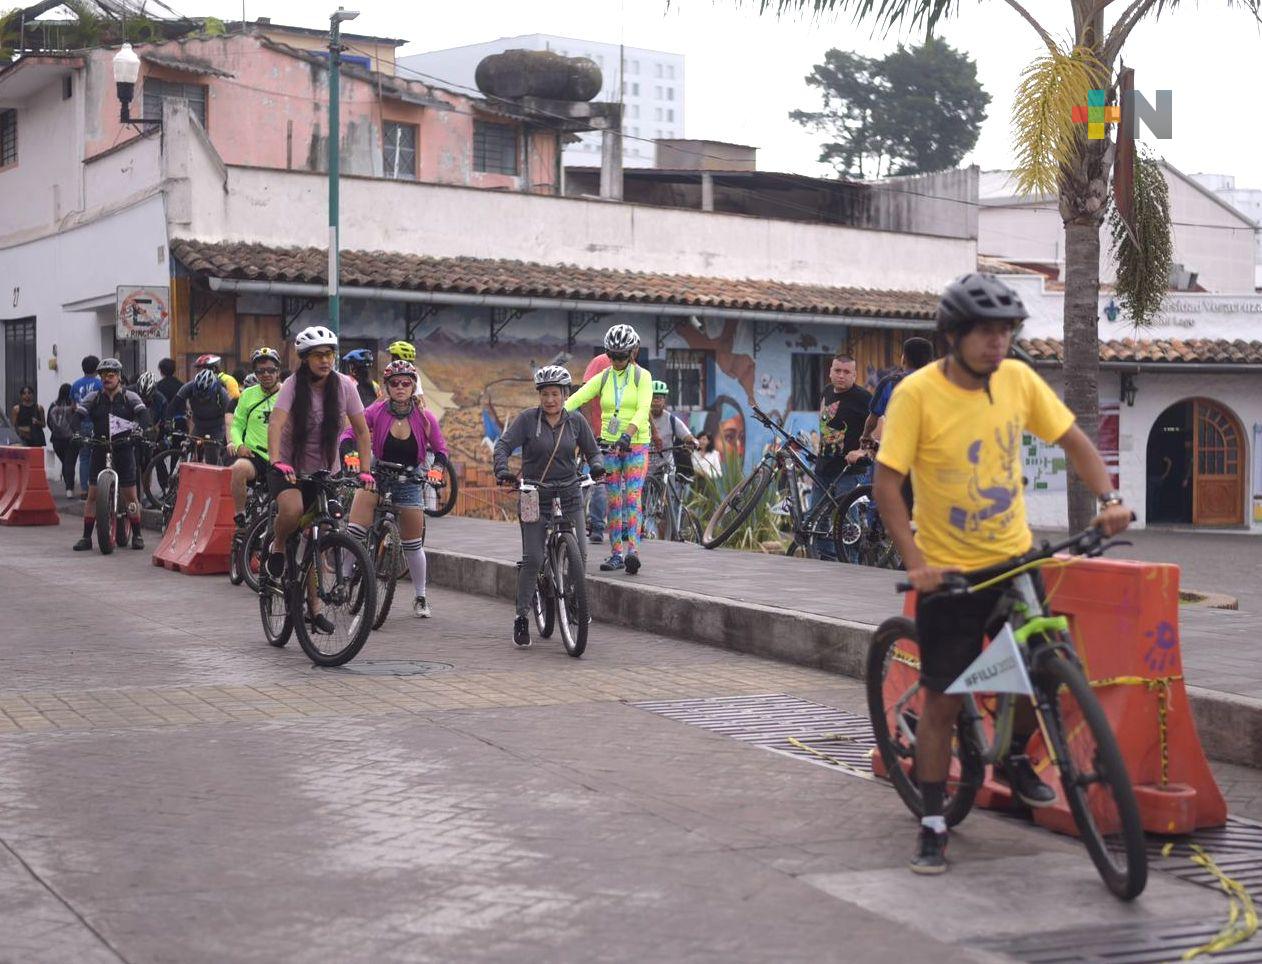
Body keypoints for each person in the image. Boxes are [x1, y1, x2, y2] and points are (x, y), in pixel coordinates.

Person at [873, 273, 1132, 876]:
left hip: (1015, 558)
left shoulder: (1017, 380)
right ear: (954, 335)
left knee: (1038, 655)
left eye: (1006, 331)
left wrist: (1108, 498)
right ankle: (934, 822)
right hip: (951, 575)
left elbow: (1073, 439)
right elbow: (887, 483)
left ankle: (1014, 755)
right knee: (941, 703)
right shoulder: (915, 395)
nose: (999, 343)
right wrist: (917, 565)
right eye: (987, 332)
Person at [265, 326, 374, 636]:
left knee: (319, 535)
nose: (325, 361)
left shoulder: (345, 386)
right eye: (318, 355)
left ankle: (313, 609)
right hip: (289, 467)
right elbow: (276, 422)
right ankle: (279, 542)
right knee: (293, 510)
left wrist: (365, 470)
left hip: (325, 470)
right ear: (305, 359)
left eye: (329, 354)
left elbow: (363, 431)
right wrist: (276, 460)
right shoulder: (291, 386)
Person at [494, 365, 604, 647]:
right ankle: (521, 616)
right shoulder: (528, 421)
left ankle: (575, 600)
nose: (550, 399)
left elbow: (593, 451)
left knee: (580, 551)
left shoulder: (576, 422)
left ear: (566, 394)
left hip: (569, 493)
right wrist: (503, 470)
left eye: (556, 394)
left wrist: (598, 467)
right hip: (534, 495)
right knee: (532, 558)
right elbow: (503, 446)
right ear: (539, 396)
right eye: (545, 394)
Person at [343, 360, 448, 619]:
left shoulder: (425, 418)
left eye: (406, 383)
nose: (400, 387)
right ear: (387, 387)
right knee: (354, 532)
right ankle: (343, 582)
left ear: (413, 387)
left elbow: (441, 450)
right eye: (394, 383)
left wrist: (436, 470)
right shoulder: (375, 411)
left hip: (409, 481)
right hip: (376, 477)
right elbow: (348, 434)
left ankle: (421, 597)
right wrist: (351, 455)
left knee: (413, 545)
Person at [563, 325, 652, 574]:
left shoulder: (642, 377)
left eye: (623, 355)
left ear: (633, 353)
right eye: (612, 355)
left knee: (631, 498)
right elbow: (579, 397)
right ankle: (616, 555)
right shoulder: (604, 377)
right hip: (610, 446)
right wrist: (555, 415)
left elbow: (643, 408)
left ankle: (632, 551)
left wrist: (629, 433)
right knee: (613, 501)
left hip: (635, 444)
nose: (618, 360)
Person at [72, 358, 150, 551]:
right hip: (99, 448)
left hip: (123, 449)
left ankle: (137, 534)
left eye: (110, 375)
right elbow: (77, 417)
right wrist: (76, 433)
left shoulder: (129, 397)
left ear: (119, 377)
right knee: (92, 495)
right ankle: (86, 537)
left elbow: (143, 416)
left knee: (131, 496)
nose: (106, 379)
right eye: (103, 375)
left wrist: (139, 430)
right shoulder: (94, 397)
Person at [812, 354, 872, 561]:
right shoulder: (827, 392)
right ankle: (828, 563)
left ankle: (851, 565)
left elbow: (882, 426)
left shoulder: (863, 398)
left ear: (855, 375)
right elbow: (824, 421)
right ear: (830, 371)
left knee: (847, 526)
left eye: (847, 372)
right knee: (818, 521)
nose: (841, 375)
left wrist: (863, 451)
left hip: (849, 472)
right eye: (837, 370)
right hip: (823, 468)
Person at [227, 348, 283, 517]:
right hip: (255, 455)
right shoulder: (247, 395)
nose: (266, 374)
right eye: (261, 371)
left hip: (282, 457)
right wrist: (239, 445)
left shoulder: (288, 393)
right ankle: (240, 515)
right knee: (238, 469)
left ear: (278, 371)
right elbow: (236, 425)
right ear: (255, 374)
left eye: (271, 370)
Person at [577, 351, 613, 545]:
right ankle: (595, 525)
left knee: (613, 485)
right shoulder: (600, 362)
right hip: (597, 435)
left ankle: (617, 526)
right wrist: (588, 427)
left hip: (621, 438)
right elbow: (585, 393)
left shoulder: (634, 368)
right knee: (595, 481)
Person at [647, 379, 697, 497]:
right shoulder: (641, 418)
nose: (655, 401)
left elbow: (688, 437)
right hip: (645, 469)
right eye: (653, 397)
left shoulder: (671, 420)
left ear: (664, 400)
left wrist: (693, 443)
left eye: (659, 398)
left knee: (669, 501)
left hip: (666, 468)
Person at [170, 369, 231, 456]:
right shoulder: (189, 387)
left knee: (211, 454)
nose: (201, 400)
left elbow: (229, 414)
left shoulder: (221, 393)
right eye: (199, 395)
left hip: (216, 426)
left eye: (205, 397)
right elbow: (174, 403)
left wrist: (229, 438)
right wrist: (168, 420)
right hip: (198, 424)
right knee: (188, 446)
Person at [71, 356, 102, 498]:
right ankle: (94, 487)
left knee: (84, 457)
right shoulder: (100, 384)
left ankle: (84, 489)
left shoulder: (75, 385)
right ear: (97, 368)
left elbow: (73, 407)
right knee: (97, 456)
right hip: (96, 423)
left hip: (81, 423)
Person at [47, 383, 78, 496]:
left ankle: (68, 486)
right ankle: (69, 489)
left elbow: (49, 423)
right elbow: (77, 421)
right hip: (71, 439)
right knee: (70, 463)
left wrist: (57, 431)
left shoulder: (53, 405)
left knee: (65, 462)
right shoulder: (73, 407)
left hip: (57, 440)